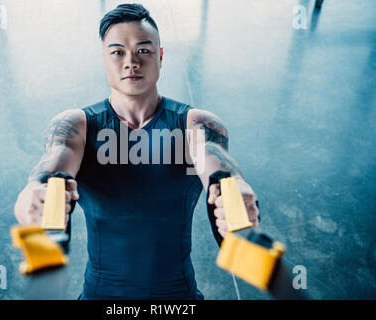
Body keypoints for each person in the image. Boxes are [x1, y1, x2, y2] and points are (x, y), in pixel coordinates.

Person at [14, 3, 259, 300]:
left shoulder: (195, 123)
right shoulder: (77, 125)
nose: (131, 62)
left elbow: (217, 162)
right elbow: (53, 162)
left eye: (143, 50)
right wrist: (33, 193)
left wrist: (237, 191)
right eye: (118, 52)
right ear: (104, 59)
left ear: (161, 56)